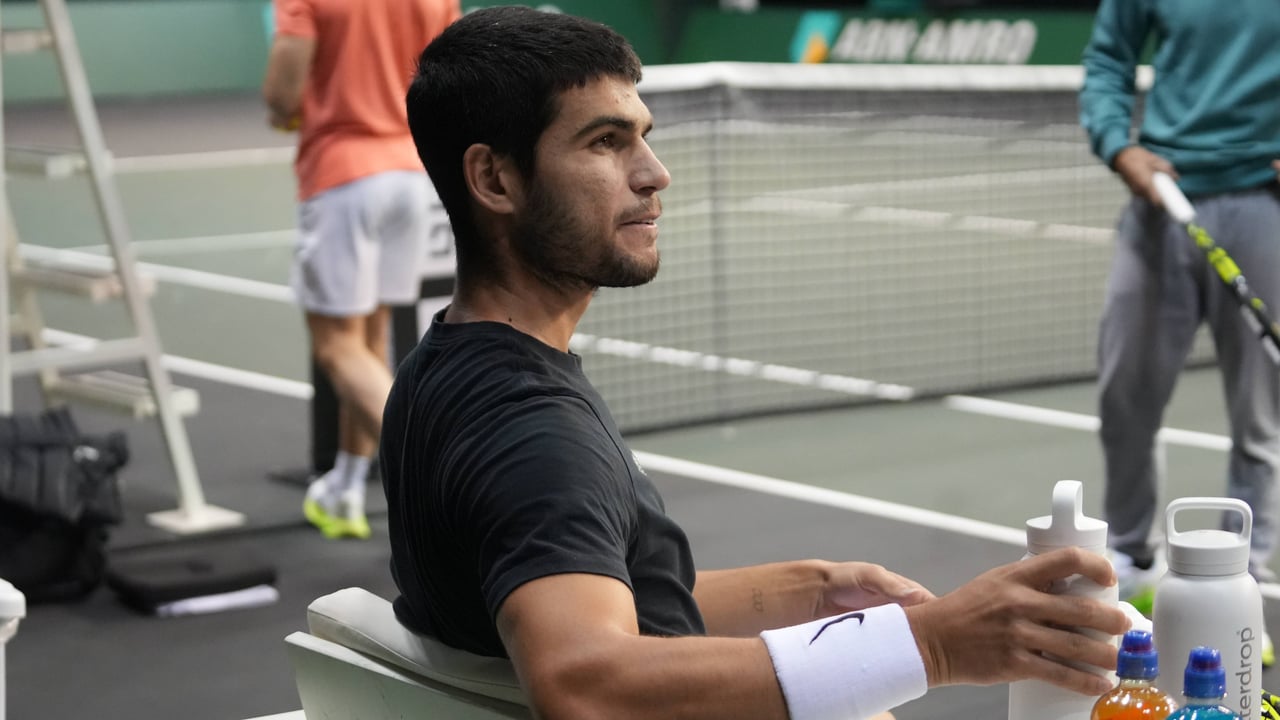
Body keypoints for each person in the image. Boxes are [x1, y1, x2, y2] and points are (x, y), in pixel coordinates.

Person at [382, 7, 1130, 719]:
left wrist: (809, 588)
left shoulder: (439, 371)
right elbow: (586, 684)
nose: (654, 172)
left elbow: (595, 594)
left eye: (644, 135)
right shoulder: (533, 433)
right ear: (495, 180)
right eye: (606, 142)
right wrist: (932, 646)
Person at [1078, 0, 1280, 629]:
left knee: (1261, 419)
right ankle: (1130, 562)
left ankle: (1242, 590)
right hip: (1161, 196)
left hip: (1264, 200)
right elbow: (1109, 56)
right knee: (1125, 396)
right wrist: (1118, 146)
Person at [262, 0, 460, 539]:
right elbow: (450, 67)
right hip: (414, 177)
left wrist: (288, 110)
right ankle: (345, 489)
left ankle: (442, 478)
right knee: (370, 343)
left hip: (343, 176)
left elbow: (283, 92)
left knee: (336, 346)